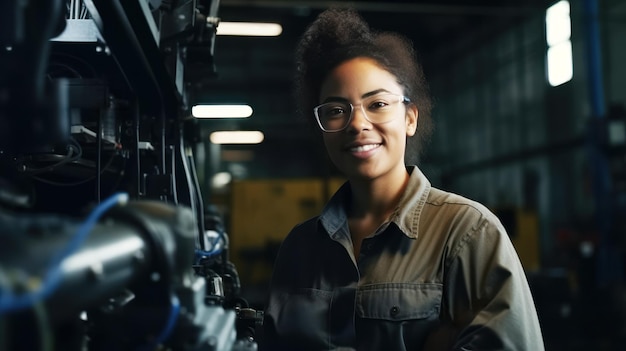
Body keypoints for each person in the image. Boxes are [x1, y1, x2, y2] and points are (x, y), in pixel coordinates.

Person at [261, 7, 544, 351]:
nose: (357, 124)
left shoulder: (467, 234)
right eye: (336, 110)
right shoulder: (300, 248)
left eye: (377, 104)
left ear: (410, 118)